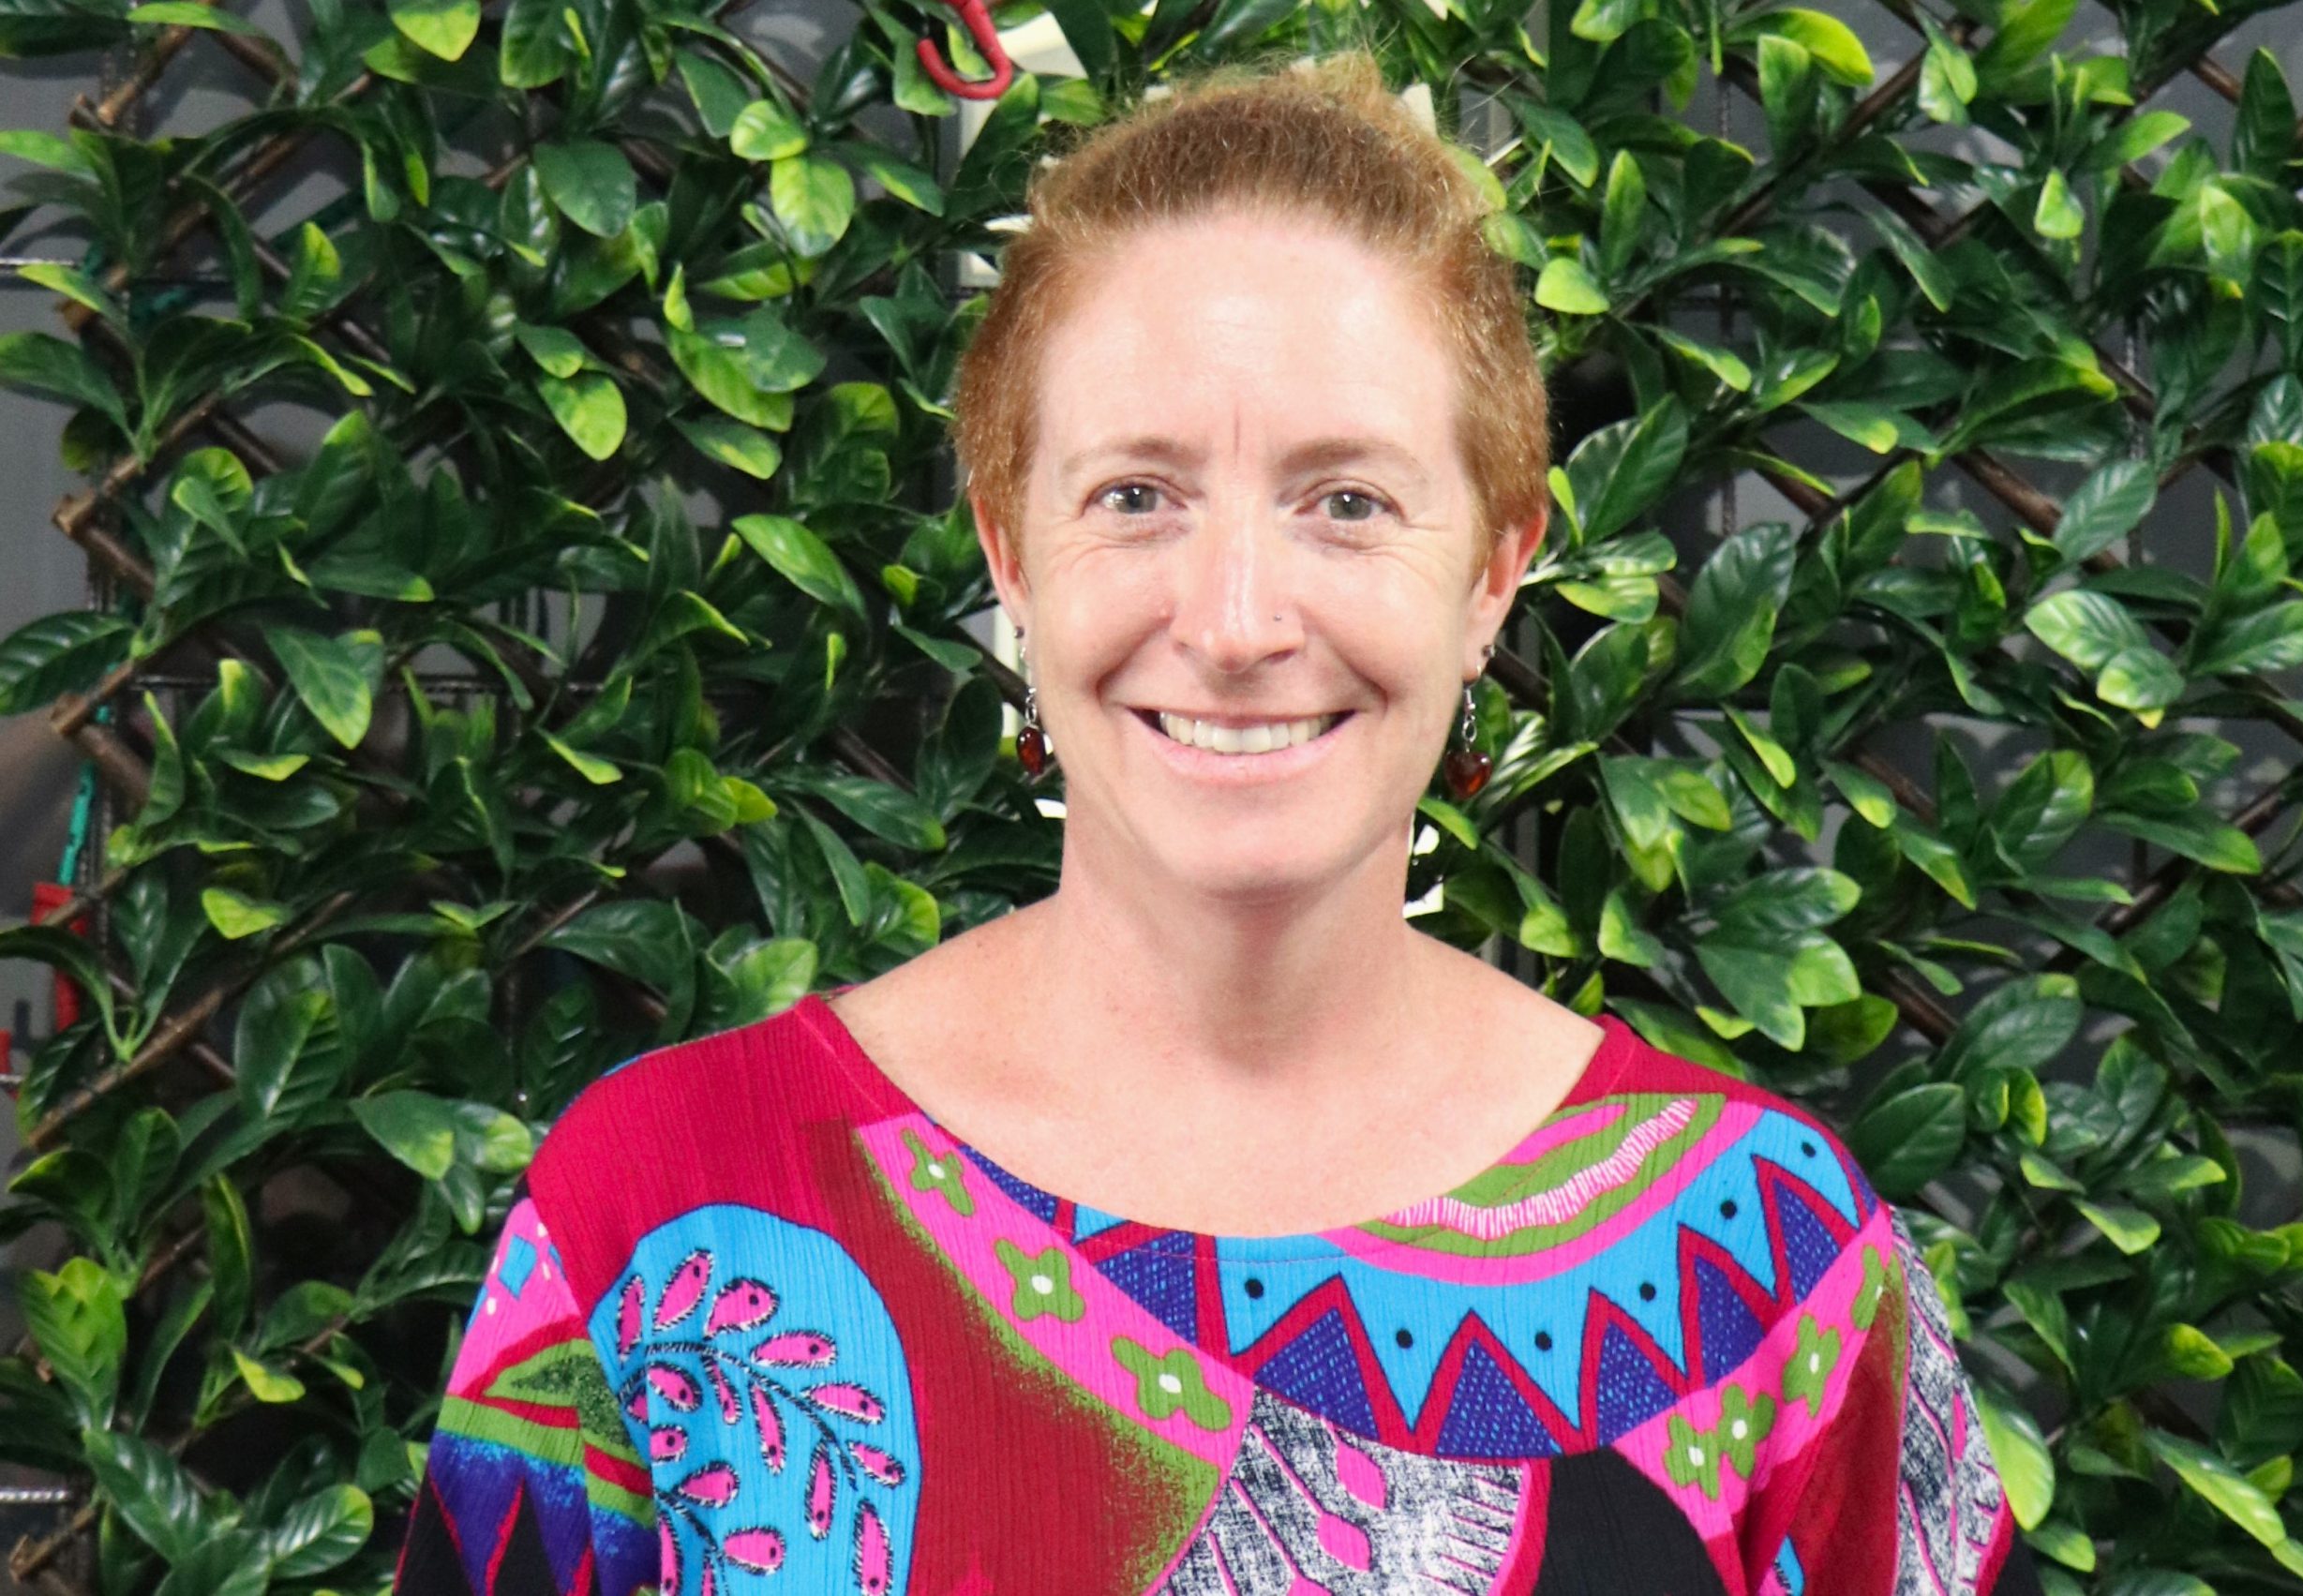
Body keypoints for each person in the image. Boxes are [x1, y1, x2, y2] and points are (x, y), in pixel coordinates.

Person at [394, 48, 2042, 1596]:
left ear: (1493, 571)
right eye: (1137, 496)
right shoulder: (660, 1205)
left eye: (1347, 502)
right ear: (1011, 553)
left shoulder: (1771, 1264)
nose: (1239, 618)